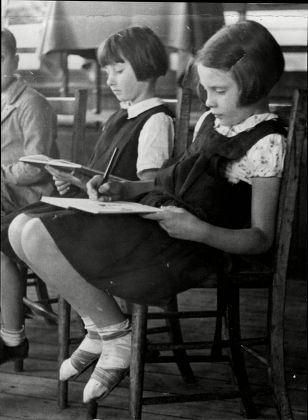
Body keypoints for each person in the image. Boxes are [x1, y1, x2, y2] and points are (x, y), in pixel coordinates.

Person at [4, 20, 287, 405]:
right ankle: (102, 327)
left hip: (195, 247)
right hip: (164, 223)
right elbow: (172, 182)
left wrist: (198, 230)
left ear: (254, 84)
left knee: (37, 232)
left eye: (218, 90)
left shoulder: (267, 142)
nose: (207, 100)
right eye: (205, 89)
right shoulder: (211, 121)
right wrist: (124, 188)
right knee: (22, 227)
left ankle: (112, 334)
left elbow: (261, 239)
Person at [0, 26, 174, 369]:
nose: (109, 78)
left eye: (118, 70)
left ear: (147, 66)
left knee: (27, 228)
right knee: (19, 227)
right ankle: (94, 324)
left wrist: (101, 185)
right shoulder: (121, 115)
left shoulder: (156, 120)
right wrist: (74, 181)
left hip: (125, 224)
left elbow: (153, 186)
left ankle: (100, 327)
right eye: (107, 70)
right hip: (100, 211)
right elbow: (103, 175)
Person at [1, 28, 58, 322]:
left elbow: (36, 167)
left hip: (30, 198)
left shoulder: (31, 103)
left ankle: (8, 316)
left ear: (15, 60)